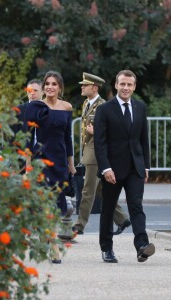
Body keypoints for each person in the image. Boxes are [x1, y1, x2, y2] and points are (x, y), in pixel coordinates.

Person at [94, 70, 155, 263]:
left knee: (136, 206)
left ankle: (142, 246)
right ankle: (106, 248)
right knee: (109, 209)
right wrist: (105, 168)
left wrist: (146, 166)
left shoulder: (140, 107)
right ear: (116, 85)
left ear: (134, 87)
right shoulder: (105, 110)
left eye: (129, 85)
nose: (126, 88)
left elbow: (143, 139)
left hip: (135, 168)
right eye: (122, 84)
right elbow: (99, 142)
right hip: (112, 170)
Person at [25, 71, 76, 263]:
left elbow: (67, 137)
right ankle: (54, 245)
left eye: (54, 84)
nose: (50, 87)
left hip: (60, 161)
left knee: (55, 203)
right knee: (46, 205)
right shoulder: (36, 106)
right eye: (47, 84)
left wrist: (71, 164)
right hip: (41, 160)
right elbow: (29, 138)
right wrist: (28, 165)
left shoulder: (67, 107)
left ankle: (44, 236)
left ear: (60, 87)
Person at [72, 72, 130, 235]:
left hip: (96, 153)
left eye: (85, 85)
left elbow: (113, 131)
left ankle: (79, 225)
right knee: (102, 191)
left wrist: (96, 130)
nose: (82, 87)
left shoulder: (104, 106)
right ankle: (122, 219)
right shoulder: (86, 103)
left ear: (94, 87)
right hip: (89, 151)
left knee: (87, 190)